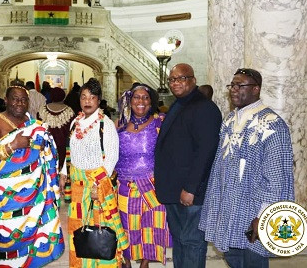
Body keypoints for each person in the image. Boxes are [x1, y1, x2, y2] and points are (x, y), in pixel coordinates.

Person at [199, 68, 294, 267]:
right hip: (230, 208)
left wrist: (264, 215)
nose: (233, 90)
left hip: (254, 209)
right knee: (233, 257)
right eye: (232, 85)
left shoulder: (272, 124)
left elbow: (276, 176)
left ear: (256, 89)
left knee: (253, 260)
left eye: (240, 85)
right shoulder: (230, 120)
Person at [0, 85, 64, 267]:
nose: (19, 103)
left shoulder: (31, 122)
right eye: (15, 99)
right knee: (7, 244)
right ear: (6, 101)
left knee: (32, 242)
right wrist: (13, 145)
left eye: (23, 100)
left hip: (33, 197)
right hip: (4, 200)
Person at [154, 63, 222, 268]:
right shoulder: (180, 103)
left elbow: (206, 152)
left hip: (190, 192)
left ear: (193, 80)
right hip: (174, 189)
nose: (176, 83)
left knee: (192, 242)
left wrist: (191, 188)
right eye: (172, 79)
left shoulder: (204, 107)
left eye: (181, 78)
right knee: (181, 240)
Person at [59, 78, 128, 267]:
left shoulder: (105, 124)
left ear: (99, 101)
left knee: (100, 230)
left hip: (97, 186)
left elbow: (112, 157)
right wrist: (64, 172)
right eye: (83, 97)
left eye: (92, 97)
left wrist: (99, 185)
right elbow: (70, 151)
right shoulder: (76, 122)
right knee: (79, 230)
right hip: (77, 188)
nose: (87, 101)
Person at [116, 83, 172, 268]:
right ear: (129, 101)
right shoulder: (119, 124)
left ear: (151, 101)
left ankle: (145, 262)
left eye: (145, 98)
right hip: (125, 184)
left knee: (149, 225)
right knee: (126, 226)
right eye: (137, 98)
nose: (141, 101)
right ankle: (126, 260)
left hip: (152, 184)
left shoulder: (160, 122)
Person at [37, 87, 75, 170]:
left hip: (46, 145)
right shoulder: (69, 111)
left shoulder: (42, 110)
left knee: (47, 168)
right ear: (63, 96)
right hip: (63, 146)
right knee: (62, 168)